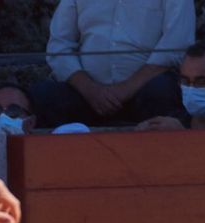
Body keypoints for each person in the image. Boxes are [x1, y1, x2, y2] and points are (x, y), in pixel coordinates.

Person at [29, 0, 193, 128]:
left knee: (160, 90)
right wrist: (90, 89)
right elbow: (59, 45)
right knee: (44, 94)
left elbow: (176, 46)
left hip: (145, 90)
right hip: (87, 94)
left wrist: (125, 89)